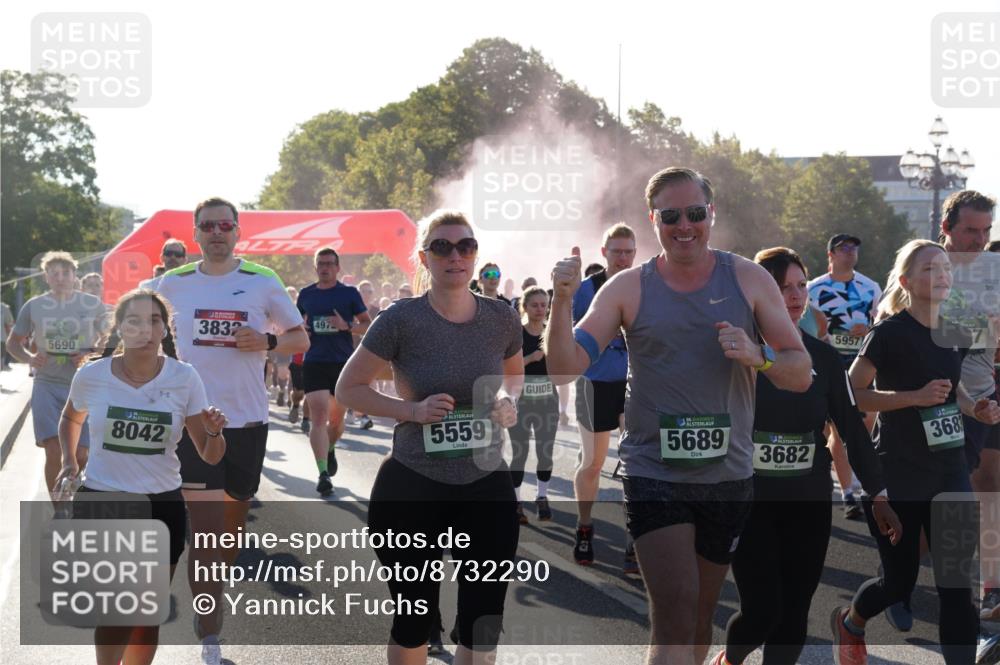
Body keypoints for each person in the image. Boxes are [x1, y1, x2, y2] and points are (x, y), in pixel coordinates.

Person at [546, 167, 811, 665]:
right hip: (654, 472)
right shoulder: (627, 288)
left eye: (695, 213)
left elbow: (800, 372)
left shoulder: (748, 278)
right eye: (671, 216)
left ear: (711, 215)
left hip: (728, 476)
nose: (684, 225)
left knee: (699, 619)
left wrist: (761, 358)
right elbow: (564, 367)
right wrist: (561, 302)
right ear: (654, 220)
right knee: (674, 611)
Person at [336, 209, 522, 664]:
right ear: (424, 257)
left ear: (476, 254)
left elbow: (513, 377)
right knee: (414, 620)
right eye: (442, 247)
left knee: (484, 623)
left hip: (485, 482)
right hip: (413, 482)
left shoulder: (501, 318)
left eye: (466, 246)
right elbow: (348, 388)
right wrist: (412, 411)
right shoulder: (401, 319)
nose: (456, 256)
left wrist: (505, 401)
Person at [714, 248, 898, 665]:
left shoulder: (826, 359)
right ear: (758, 295)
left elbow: (852, 429)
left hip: (808, 501)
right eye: (782, 288)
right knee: (761, 613)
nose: (795, 297)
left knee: (794, 615)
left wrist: (878, 492)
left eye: (801, 286)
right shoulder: (738, 356)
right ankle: (731, 659)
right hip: (748, 500)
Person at [831, 239, 1000, 665]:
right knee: (898, 584)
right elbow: (852, 395)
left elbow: (948, 390)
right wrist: (912, 397)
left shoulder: (955, 328)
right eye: (929, 269)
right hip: (899, 472)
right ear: (906, 281)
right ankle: (851, 621)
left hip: (949, 469)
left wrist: (973, 407)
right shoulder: (887, 334)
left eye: (945, 267)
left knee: (957, 586)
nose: (942, 274)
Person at [155, 197, 308, 664]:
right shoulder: (170, 283)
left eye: (225, 224)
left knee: (228, 531)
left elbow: (299, 338)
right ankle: (209, 626)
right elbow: (141, 337)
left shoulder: (263, 281)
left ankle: (209, 591)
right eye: (208, 226)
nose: (217, 232)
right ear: (196, 233)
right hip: (191, 421)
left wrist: (267, 341)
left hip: (247, 422)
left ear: (238, 231)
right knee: (203, 531)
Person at [54, 289, 226, 665]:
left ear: (164, 329)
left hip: (161, 503)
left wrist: (214, 432)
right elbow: (71, 416)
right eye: (133, 321)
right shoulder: (93, 376)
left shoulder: (185, 378)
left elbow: (210, 456)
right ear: (119, 328)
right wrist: (70, 459)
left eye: (153, 320)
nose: (144, 329)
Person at [937, 191, 1000, 626]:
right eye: (970, 231)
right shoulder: (924, 267)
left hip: (982, 399)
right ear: (947, 229)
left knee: (990, 486)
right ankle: (882, 593)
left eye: (986, 231)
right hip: (933, 401)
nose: (979, 241)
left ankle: (989, 589)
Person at [7, 251, 106, 497]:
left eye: (66, 273)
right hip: (47, 385)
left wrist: (92, 354)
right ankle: (58, 508)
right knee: (53, 449)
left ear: (74, 276)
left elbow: (110, 338)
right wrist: (30, 358)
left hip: (82, 386)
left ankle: (71, 483)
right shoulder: (35, 306)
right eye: (54, 274)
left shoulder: (92, 305)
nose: (60, 278)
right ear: (47, 278)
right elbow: (13, 343)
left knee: (81, 454)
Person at [569, 223, 637, 569]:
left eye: (629, 251)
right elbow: (568, 335)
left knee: (636, 465)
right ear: (605, 253)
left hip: (632, 386)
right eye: (617, 251)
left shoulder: (644, 286)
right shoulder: (586, 289)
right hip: (593, 383)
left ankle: (634, 539)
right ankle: (584, 526)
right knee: (593, 463)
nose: (623, 257)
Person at [808, 233, 883, 520]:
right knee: (837, 430)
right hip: (827, 365)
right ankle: (849, 493)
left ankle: (854, 483)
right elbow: (802, 325)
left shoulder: (870, 286)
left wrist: (869, 329)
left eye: (854, 247)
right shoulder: (814, 289)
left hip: (861, 364)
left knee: (862, 425)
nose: (850, 252)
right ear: (831, 255)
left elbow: (883, 320)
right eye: (843, 248)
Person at [296, 247, 371, 496]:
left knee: (336, 421)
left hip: (342, 364)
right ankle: (322, 473)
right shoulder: (306, 294)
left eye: (330, 263)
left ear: (338, 268)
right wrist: (302, 331)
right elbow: (297, 325)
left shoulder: (348, 293)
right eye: (321, 264)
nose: (325, 267)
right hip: (314, 361)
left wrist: (345, 325)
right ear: (315, 268)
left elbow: (367, 325)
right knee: (318, 416)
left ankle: (330, 449)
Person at [509, 285, 558, 523]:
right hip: (520, 400)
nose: (540, 309)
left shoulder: (552, 333)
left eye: (544, 305)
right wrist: (530, 358)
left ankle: (542, 496)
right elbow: (504, 368)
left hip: (547, 400)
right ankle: (516, 502)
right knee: (520, 452)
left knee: (545, 451)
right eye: (535, 305)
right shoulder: (516, 334)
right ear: (525, 307)